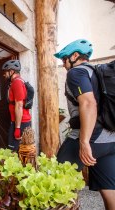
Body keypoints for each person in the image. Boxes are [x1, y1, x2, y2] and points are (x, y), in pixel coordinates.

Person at [54, 39, 115, 210]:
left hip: (91, 137)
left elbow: (88, 103)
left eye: (64, 59)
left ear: (74, 56)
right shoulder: (97, 72)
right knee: (110, 189)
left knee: (56, 182)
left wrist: (84, 141)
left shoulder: (76, 73)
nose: (63, 63)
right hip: (110, 140)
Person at [1, 60, 31, 152]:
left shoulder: (17, 83)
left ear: (11, 71)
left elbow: (19, 105)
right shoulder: (19, 81)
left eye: (5, 72)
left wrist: (17, 128)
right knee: (23, 151)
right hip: (20, 121)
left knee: (14, 152)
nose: (4, 75)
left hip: (20, 122)